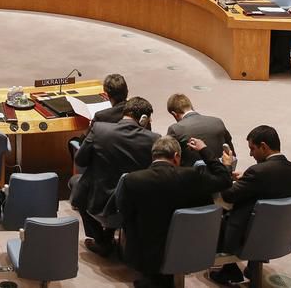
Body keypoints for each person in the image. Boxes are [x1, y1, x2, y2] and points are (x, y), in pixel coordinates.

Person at [119, 136, 233, 288]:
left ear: (153, 156)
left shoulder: (132, 180)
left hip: (144, 251)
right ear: (176, 156)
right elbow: (224, 179)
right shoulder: (192, 176)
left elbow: (125, 214)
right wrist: (204, 150)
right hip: (186, 246)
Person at [211, 126, 291, 285]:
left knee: (217, 212)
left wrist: (226, 169)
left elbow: (228, 195)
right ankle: (254, 266)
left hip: (249, 233)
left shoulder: (258, 172)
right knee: (263, 212)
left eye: (252, 149)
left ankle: (229, 269)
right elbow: (272, 189)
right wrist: (246, 181)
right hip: (279, 231)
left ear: (264, 146)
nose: (250, 154)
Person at [71, 97, 159, 257]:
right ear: (144, 119)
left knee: (76, 183)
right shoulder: (154, 139)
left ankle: (101, 239)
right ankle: (109, 236)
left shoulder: (99, 129)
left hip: (100, 202)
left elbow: (80, 160)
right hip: (133, 208)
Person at [165, 94, 233, 166]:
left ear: (174, 114)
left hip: (191, 175)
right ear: (191, 106)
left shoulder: (175, 129)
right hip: (220, 172)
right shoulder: (218, 122)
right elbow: (231, 151)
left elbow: (166, 158)